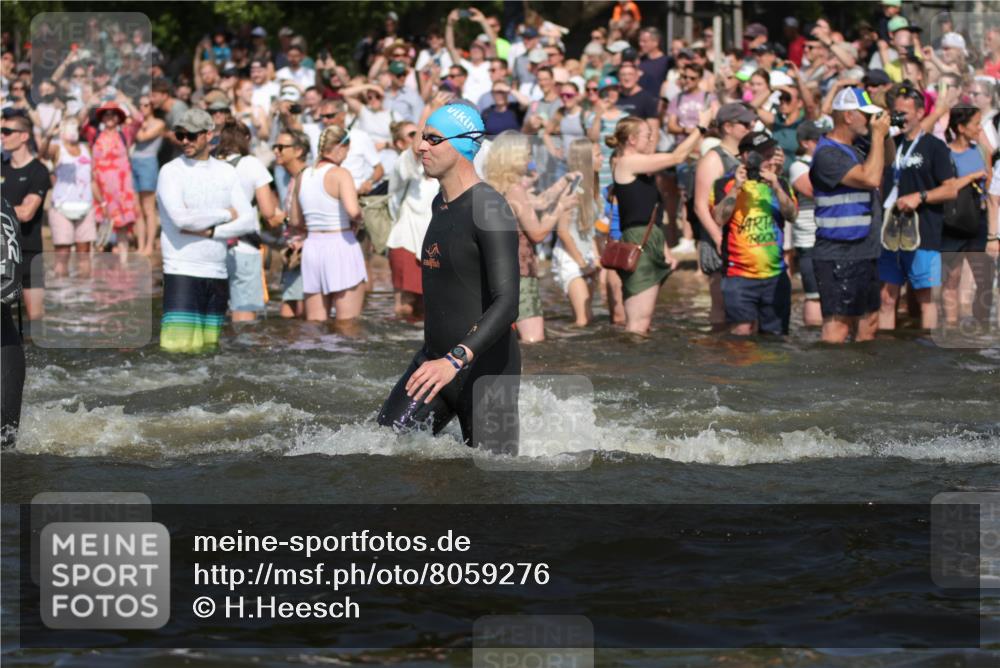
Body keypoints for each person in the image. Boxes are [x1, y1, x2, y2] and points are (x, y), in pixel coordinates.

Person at [377, 103, 521, 454]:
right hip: (433, 363)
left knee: (491, 488)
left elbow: (508, 303)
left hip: (485, 372)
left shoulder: (490, 208)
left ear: (464, 146)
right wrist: (440, 360)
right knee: (380, 451)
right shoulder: (438, 203)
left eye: (433, 139)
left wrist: (455, 359)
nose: (421, 146)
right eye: (422, 137)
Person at [155, 109, 255, 353]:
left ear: (209, 135)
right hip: (182, 270)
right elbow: (181, 220)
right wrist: (224, 214)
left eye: (191, 135)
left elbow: (248, 221)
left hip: (217, 271)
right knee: (176, 353)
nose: (185, 141)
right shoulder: (171, 171)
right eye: (180, 136)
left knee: (210, 353)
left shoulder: (226, 171)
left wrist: (211, 233)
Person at [609, 113, 708, 334]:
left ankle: (639, 362)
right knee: (638, 323)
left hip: (649, 239)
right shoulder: (627, 162)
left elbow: (648, 215)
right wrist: (701, 128)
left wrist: (665, 251)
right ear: (632, 140)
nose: (651, 139)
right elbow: (677, 157)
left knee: (644, 321)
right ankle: (630, 364)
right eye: (647, 135)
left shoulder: (641, 167)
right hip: (638, 241)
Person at [809, 87, 890, 344]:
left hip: (865, 249)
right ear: (848, 116)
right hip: (838, 253)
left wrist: (886, 135)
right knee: (838, 328)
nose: (870, 120)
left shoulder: (856, 148)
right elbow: (871, 178)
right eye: (865, 115)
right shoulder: (827, 154)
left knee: (870, 324)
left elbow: (887, 161)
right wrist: (877, 136)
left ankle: (865, 379)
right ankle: (832, 380)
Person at [878, 85, 957, 332]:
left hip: (924, 232)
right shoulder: (891, 143)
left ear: (921, 112)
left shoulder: (935, 146)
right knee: (887, 297)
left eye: (905, 112)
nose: (900, 116)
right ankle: (886, 353)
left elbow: (951, 189)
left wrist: (920, 196)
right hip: (890, 232)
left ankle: (927, 350)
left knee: (926, 299)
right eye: (896, 111)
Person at [485, 130, 574, 343]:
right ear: (514, 157)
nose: (530, 159)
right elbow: (537, 234)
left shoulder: (494, 186)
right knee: (533, 339)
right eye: (527, 154)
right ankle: (525, 376)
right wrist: (561, 207)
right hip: (521, 272)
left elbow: (539, 203)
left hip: (499, 271)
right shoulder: (515, 189)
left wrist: (562, 184)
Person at [710, 132, 797, 335]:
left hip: (775, 275)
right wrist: (736, 188)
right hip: (738, 276)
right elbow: (719, 219)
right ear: (747, 156)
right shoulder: (725, 184)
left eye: (771, 154)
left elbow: (792, 215)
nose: (769, 160)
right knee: (741, 333)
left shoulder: (780, 183)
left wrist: (776, 186)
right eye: (764, 155)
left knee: (776, 336)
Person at [292, 125, 367, 322]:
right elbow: (353, 211)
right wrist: (361, 216)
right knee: (347, 323)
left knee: (315, 323)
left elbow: (295, 220)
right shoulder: (341, 174)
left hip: (312, 248)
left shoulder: (302, 175)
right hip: (341, 245)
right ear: (341, 147)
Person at [693, 103, 754, 331]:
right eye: (746, 124)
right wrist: (719, 238)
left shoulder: (744, 155)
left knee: (742, 305)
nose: (752, 126)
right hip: (719, 237)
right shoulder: (713, 159)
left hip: (742, 237)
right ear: (728, 127)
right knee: (721, 302)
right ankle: (719, 349)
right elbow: (700, 206)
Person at [215, 121, 283, 323]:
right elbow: (268, 211)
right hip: (245, 246)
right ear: (246, 139)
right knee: (244, 315)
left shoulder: (211, 164)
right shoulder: (252, 164)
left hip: (212, 248)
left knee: (216, 314)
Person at [941, 106, 992, 326]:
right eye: (976, 124)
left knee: (985, 279)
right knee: (952, 278)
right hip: (953, 221)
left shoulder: (981, 151)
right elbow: (946, 187)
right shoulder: (945, 154)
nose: (980, 128)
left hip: (978, 219)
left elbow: (990, 189)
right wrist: (971, 176)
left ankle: (981, 326)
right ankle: (951, 328)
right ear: (961, 128)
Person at [1, 114, 50, 324]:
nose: (2, 136)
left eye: (7, 131)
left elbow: (27, 212)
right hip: (2, 253)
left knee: (36, 320)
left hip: (29, 252)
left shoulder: (38, 171)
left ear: (23, 136)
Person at [387, 115, 438, 317]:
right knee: (405, 306)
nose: (421, 138)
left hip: (432, 245)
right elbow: (416, 149)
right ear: (400, 143)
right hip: (405, 240)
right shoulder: (402, 164)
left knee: (430, 308)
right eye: (413, 134)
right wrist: (427, 112)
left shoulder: (437, 166)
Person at [552, 139, 602, 325]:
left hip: (586, 254)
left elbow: (591, 229)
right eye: (598, 155)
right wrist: (582, 263)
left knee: (588, 316)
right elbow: (563, 231)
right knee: (583, 319)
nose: (602, 159)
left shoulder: (592, 186)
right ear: (585, 160)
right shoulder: (574, 189)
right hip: (570, 257)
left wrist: (596, 259)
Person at [39, 118, 95, 279]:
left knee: (84, 252)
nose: (72, 130)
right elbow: (42, 154)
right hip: (61, 208)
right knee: (62, 253)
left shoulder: (86, 148)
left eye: (75, 126)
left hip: (85, 205)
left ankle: (83, 295)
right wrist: (49, 136)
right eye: (68, 126)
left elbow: (91, 178)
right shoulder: (57, 148)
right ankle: (63, 294)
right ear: (62, 131)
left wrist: (103, 203)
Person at [84, 100, 140, 254]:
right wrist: (91, 100)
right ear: (102, 117)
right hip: (100, 189)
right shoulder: (94, 134)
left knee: (122, 229)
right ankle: (96, 271)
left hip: (122, 190)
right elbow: (81, 123)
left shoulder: (125, 134)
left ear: (118, 117)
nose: (110, 117)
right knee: (97, 230)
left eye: (114, 114)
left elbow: (138, 119)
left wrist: (125, 99)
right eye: (106, 114)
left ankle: (124, 267)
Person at [788, 120, 824, 327]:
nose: (823, 143)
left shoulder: (822, 163)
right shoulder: (797, 166)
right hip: (808, 238)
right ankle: (812, 336)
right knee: (813, 294)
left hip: (827, 236)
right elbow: (813, 192)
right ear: (805, 143)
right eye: (818, 140)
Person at [273, 130, 311, 319]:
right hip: (294, 251)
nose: (276, 151)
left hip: (304, 252)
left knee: (297, 313)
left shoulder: (307, 177)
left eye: (281, 147)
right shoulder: (293, 178)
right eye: (275, 147)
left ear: (298, 151)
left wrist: (284, 219)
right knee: (290, 312)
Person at [131, 96, 166, 256]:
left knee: (148, 207)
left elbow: (142, 137)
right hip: (134, 162)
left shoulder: (159, 123)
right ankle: (140, 244)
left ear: (152, 106)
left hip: (148, 163)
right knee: (137, 208)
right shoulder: (138, 123)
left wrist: (136, 121)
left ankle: (149, 244)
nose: (142, 108)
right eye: (140, 105)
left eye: (146, 105)